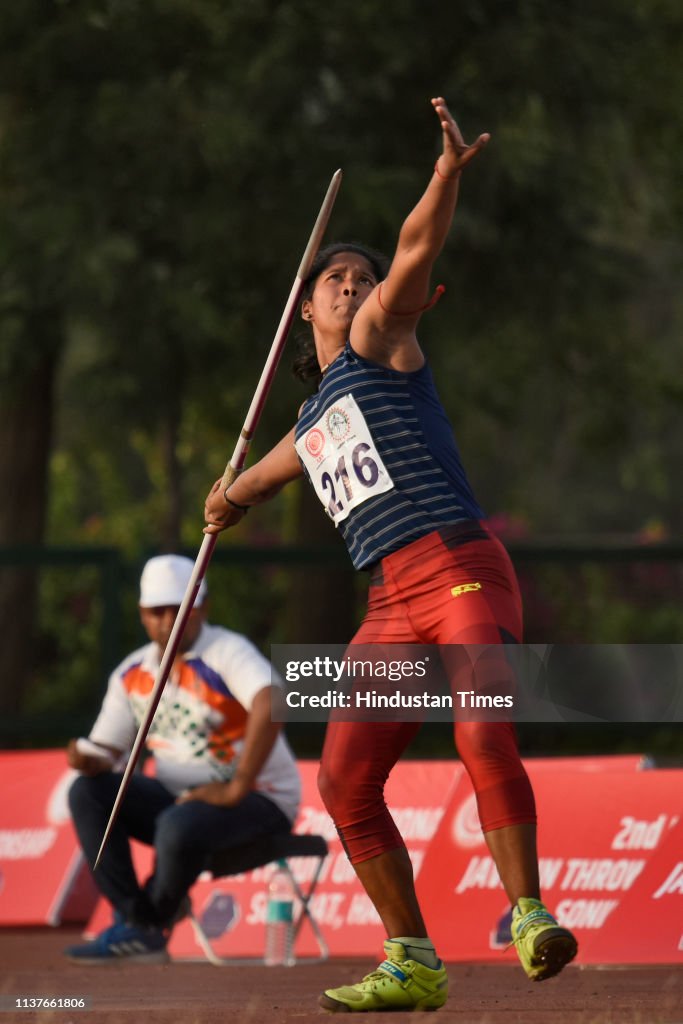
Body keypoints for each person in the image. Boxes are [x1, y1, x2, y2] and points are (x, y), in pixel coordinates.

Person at [204, 97, 577, 1012]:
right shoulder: (308, 424)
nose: (348, 284)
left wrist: (444, 175)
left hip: (456, 565)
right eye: (331, 276)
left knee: (479, 725)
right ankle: (411, 955)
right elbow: (248, 486)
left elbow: (414, 250)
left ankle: (527, 912)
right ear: (303, 306)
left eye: (357, 276)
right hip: (390, 603)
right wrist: (224, 498)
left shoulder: (382, 342)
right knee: (342, 777)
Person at [64, 553, 300, 964]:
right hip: (180, 800)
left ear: (202, 607)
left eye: (181, 609)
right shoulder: (131, 672)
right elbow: (107, 749)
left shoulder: (226, 651)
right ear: (142, 614)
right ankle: (138, 922)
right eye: (158, 611)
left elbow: (272, 700)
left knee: (177, 821)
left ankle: (145, 928)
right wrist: (89, 760)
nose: (169, 620)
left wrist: (236, 786)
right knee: (87, 793)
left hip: (258, 799)